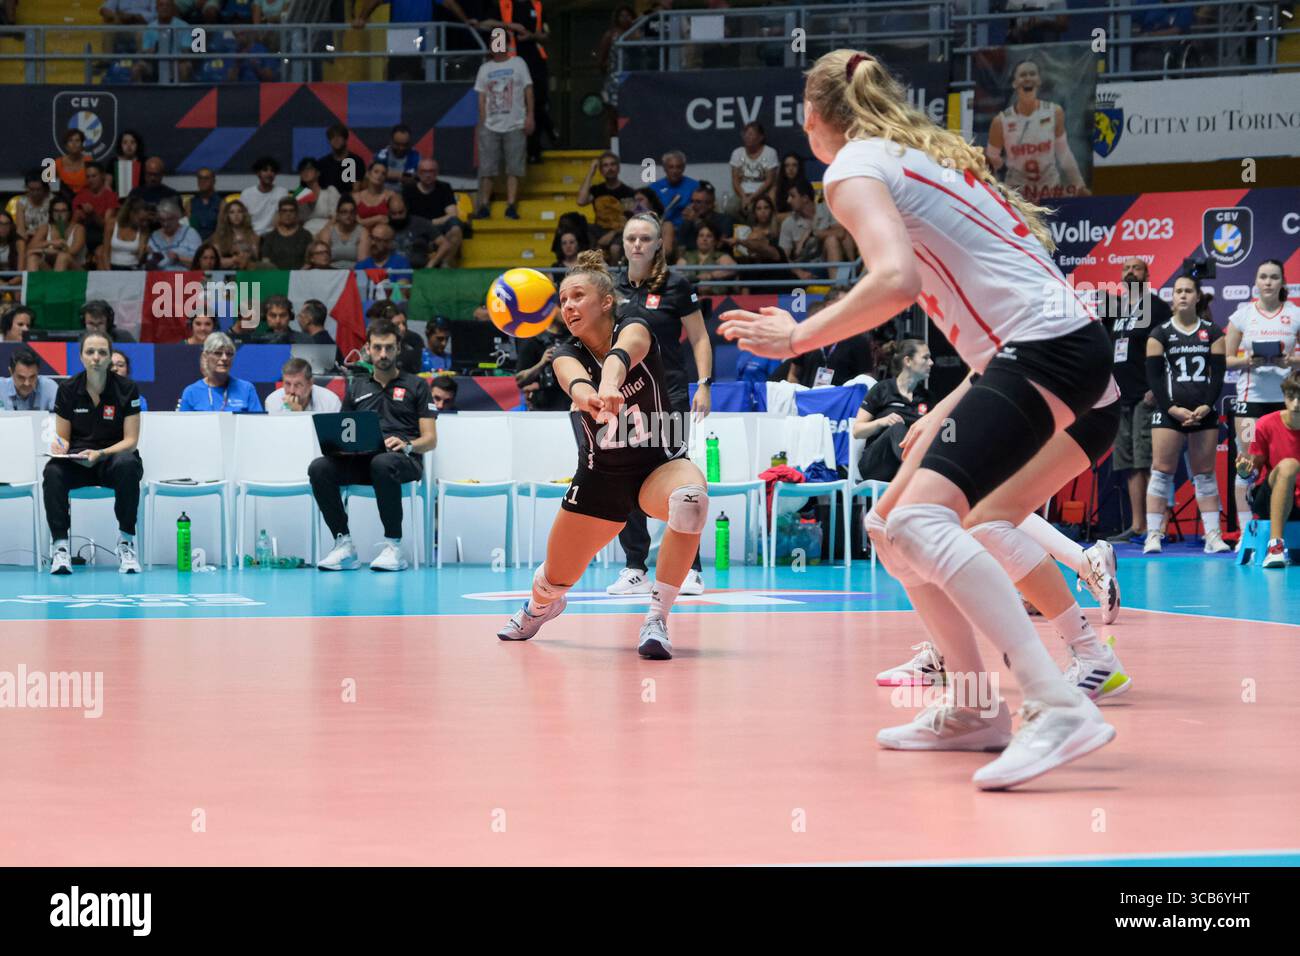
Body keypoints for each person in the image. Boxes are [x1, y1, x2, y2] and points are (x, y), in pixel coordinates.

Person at [719, 49, 1123, 790]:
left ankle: (1056, 701)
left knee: (924, 526)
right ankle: (973, 708)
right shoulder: (921, 155)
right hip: (1045, 352)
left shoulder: (850, 171)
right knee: (889, 522)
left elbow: (895, 280)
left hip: (1046, 351)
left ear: (811, 119)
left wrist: (796, 337)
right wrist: (944, 411)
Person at [496, 251, 709, 660]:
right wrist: (589, 395)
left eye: (578, 296)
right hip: (599, 479)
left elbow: (622, 354)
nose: (569, 306)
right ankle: (541, 607)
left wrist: (611, 383)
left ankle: (656, 619)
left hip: (657, 466)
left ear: (606, 301)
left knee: (691, 501)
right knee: (553, 580)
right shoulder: (564, 350)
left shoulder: (636, 326)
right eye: (562, 300)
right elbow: (572, 380)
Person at [604, 212, 712, 598]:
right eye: (631, 238)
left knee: (677, 481)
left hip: (670, 395)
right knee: (624, 478)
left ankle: (690, 569)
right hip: (623, 399)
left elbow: (699, 338)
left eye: (645, 238)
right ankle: (635, 568)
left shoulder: (676, 285)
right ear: (623, 242)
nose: (637, 244)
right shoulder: (610, 286)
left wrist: (704, 384)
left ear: (657, 244)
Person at [311, 319, 438, 572]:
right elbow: (341, 432)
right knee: (319, 468)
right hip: (362, 462)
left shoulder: (417, 385)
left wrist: (407, 444)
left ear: (398, 349)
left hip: (403, 461)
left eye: (389, 348)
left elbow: (430, 439)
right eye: (378, 347)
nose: (383, 354)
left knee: (383, 462)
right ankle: (343, 545)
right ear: (367, 348)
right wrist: (337, 447)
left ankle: (394, 547)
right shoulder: (356, 386)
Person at [44, 329, 144, 575]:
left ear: (110, 357)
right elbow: (64, 437)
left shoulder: (127, 388)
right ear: (81, 357)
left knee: (128, 465)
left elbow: (130, 441)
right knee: (53, 471)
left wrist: (101, 454)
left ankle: (126, 542)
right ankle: (60, 547)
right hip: (79, 461)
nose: (96, 357)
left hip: (111, 459)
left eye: (102, 352)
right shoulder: (67, 389)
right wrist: (60, 446)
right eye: (90, 352)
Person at [1142, 274, 1230, 554]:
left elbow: (1218, 375)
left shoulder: (1213, 332)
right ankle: (1153, 535)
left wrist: (1206, 405)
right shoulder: (1160, 333)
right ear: (1172, 298)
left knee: (1205, 474)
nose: (1182, 295)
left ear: (1196, 297)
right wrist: (1171, 409)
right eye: (1178, 291)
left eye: (1188, 291)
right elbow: (1154, 379)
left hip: (1203, 410)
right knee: (1161, 472)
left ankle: (1213, 536)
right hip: (1169, 412)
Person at [1224, 260, 1300, 520]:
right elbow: (1226, 358)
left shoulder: (1295, 314)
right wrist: (1248, 360)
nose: (1268, 282)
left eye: (1274, 277)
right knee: (1246, 463)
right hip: (1251, 402)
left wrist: (1291, 360)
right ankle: (1246, 531)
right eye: (1263, 277)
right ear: (1256, 282)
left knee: (1288, 463)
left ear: (1282, 282)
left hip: (1287, 403)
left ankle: (1285, 523)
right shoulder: (1243, 315)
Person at [1102, 256, 1171, 543]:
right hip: (1120, 397)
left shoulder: (1157, 307)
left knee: (1149, 462)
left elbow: (1171, 346)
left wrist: (1158, 386)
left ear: (1147, 274)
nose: (1130, 272)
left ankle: (1157, 526)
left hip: (1147, 396)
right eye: (1126, 268)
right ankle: (1138, 525)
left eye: (1136, 268)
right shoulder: (1114, 308)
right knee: (1128, 463)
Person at [985, 58, 1088, 202]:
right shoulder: (1001, 121)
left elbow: (1064, 153)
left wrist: (1079, 184)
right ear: (1014, 83)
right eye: (1023, 75)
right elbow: (991, 161)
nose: (1028, 78)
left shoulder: (1054, 112)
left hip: (1050, 191)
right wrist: (994, 193)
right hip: (1018, 195)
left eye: (1032, 74)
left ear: (1039, 80)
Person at [1239, 371, 1300, 568]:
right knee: (1289, 465)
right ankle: (1275, 547)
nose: (1297, 404)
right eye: (1291, 397)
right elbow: (1253, 474)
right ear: (1284, 397)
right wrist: (1245, 472)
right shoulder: (1266, 424)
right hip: (1269, 500)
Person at [853, 338, 932, 482]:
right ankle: (920, 474)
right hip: (876, 465)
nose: (931, 363)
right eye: (925, 358)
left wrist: (948, 439)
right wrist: (882, 422)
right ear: (908, 361)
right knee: (897, 428)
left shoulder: (926, 397)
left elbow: (945, 427)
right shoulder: (882, 389)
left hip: (903, 467)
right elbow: (857, 431)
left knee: (948, 426)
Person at [471, 47, 533, 221]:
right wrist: (483, 123)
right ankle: (484, 205)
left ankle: (511, 205)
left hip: (515, 123)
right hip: (490, 125)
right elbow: (481, 98)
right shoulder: (485, 69)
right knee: (487, 168)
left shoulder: (519, 63)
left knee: (514, 167)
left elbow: (528, 91)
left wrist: (530, 116)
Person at [177, 332, 263, 412]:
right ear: (205, 356)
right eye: (218, 353)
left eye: (229, 354)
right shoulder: (191, 392)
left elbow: (258, 424)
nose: (224, 358)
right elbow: (183, 426)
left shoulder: (247, 389)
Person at [402, 158, 464, 268]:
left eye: (431, 171)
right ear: (418, 173)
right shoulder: (408, 189)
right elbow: (406, 217)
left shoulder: (444, 187)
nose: (428, 175)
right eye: (424, 171)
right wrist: (425, 226)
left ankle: (445, 263)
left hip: (439, 230)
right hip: (417, 232)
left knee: (456, 226)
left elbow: (452, 214)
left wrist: (429, 223)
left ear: (436, 173)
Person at [577, 151, 634, 258]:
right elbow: (581, 201)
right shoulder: (597, 190)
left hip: (620, 231)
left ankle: (614, 274)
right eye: (605, 165)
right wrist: (591, 172)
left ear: (618, 168)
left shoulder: (628, 192)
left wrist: (611, 234)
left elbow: (629, 221)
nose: (610, 168)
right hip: (599, 229)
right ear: (601, 170)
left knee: (615, 248)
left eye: (613, 164)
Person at [514, 312, 568, 411]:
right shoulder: (533, 340)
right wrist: (542, 363)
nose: (567, 310)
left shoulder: (575, 338)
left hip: (572, 403)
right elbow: (520, 380)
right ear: (549, 310)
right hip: (544, 406)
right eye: (561, 306)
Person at [728, 121, 779, 221]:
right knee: (730, 208)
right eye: (745, 134)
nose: (747, 137)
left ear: (760, 137)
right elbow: (735, 180)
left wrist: (751, 198)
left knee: (753, 209)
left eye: (751, 134)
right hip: (742, 193)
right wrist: (743, 197)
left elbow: (769, 181)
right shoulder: (737, 153)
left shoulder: (770, 153)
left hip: (762, 193)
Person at [25, 196, 86, 272]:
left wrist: (48, 251)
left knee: (63, 257)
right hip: (52, 270)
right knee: (33, 258)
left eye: (63, 211)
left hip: (74, 271)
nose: (59, 214)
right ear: (51, 213)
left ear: (69, 212)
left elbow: (73, 252)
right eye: (56, 211)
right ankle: (33, 283)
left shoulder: (78, 228)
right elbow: (30, 247)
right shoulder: (45, 227)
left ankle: (57, 283)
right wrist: (51, 242)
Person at [72, 162, 120, 256]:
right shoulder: (80, 196)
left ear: (102, 176)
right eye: (88, 177)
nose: (90, 180)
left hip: (103, 237)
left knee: (100, 252)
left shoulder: (111, 196)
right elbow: (74, 225)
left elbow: (107, 226)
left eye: (94, 176)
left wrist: (93, 214)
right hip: (83, 236)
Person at [676, 222, 736, 297]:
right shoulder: (687, 256)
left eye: (709, 236)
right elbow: (677, 275)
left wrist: (710, 276)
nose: (704, 239)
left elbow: (733, 268)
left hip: (716, 298)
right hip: (691, 298)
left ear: (715, 240)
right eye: (701, 236)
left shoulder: (721, 256)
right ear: (696, 239)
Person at [265, 357, 342, 413]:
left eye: (298, 385)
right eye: (287, 384)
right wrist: (291, 413)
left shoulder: (330, 401)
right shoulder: (273, 401)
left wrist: (299, 414)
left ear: (310, 383)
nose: (292, 391)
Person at [146, 198, 201, 271]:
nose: (165, 224)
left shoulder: (191, 234)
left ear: (178, 217)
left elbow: (201, 262)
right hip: (159, 278)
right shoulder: (154, 236)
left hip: (186, 277)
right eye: (162, 220)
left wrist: (179, 258)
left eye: (169, 219)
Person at [258, 197, 313, 270]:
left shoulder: (306, 235)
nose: (288, 214)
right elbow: (265, 261)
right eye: (284, 211)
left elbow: (309, 261)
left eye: (291, 211)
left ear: (296, 213)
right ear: (279, 213)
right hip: (275, 277)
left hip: (300, 277)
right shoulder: (270, 237)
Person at [316, 195, 369, 270]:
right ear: (337, 214)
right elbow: (322, 260)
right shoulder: (328, 231)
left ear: (355, 214)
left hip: (354, 273)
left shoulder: (362, 232)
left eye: (352, 212)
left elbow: (362, 263)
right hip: (331, 273)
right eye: (344, 212)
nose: (348, 215)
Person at [239, 156, 289, 235]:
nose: (269, 174)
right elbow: (241, 219)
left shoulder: (282, 192)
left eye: (272, 171)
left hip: (274, 236)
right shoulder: (247, 193)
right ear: (258, 173)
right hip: (250, 235)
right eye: (265, 170)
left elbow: (282, 218)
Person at [651, 150, 698, 231]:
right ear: (664, 168)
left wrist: (695, 215)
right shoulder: (654, 188)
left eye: (678, 167)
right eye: (671, 167)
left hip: (686, 229)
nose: (675, 171)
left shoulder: (695, 186)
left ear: (683, 168)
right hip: (661, 230)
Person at [0, 346, 59, 411]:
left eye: (32, 377)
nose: (27, 383)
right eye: (21, 377)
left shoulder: (49, 387)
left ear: (38, 372)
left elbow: (60, 418)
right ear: (11, 372)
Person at [293, 157, 340, 236]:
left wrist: (321, 234)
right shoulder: (300, 194)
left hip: (328, 231)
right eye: (302, 170)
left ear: (318, 173)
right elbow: (298, 221)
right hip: (306, 234)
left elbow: (335, 217)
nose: (305, 172)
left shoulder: (330, 191)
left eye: (309, 169)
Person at [386, 194, 435, 269]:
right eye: (394, 213)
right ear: (388, 212)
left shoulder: (421, 223)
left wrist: (431, 263)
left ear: (406, 209)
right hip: (392, 271)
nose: (398, 217)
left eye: (401, 212)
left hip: (419, 270)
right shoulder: (384, 227)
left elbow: (444, 244)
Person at [317, 123, 366, 196]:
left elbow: (357, 189)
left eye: (339, 136)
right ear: (329, 141)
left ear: (345, 139)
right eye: (332, 137)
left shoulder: (356, 161)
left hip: (350, 202)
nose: (336, 139)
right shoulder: (322, 163)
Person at [211, 199, 260, 267]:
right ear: (227, 216)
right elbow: (216, 261)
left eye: (239, 211)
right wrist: (234, 260)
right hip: (227, 273)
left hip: (249, 272)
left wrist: (246, 256)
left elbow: (256, 258)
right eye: (232, 212)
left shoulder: (253, 235)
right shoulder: (219, 236)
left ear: (244, 214)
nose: (236, 215)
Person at [352, 162, 398, 231]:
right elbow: (352, 221)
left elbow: (393, 219)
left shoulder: (391, 196)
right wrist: (377, 218)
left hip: (383, 237)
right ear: (368, 174)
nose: (379, 175)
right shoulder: (356, 197)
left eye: (383, 174)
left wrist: (362, 222)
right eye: (376, 172)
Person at [374, 123, 421, 188]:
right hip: (382, 193)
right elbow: (373, 174)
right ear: (391, 141)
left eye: (405, 145)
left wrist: (388, 174)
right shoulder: (383, 154)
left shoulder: (415, 156)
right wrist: (403, 175)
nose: (401, 148)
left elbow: (418, 178)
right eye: (397, 144)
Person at [13, 170, 51, 242]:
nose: (35, 193)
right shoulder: (22, 203)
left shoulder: (52, 201)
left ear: (45, 188)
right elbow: (20, 229)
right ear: (26, 187)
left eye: (38, 189)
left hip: (47, 238)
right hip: (28, 238)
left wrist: (38, 235)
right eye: (31, 189)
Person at [186, 167, 222, 240]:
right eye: (200, 178)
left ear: (213, 181)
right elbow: (188, 229)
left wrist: (205, 245)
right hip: (194, 243)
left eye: (206, 178)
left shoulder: (221, 203)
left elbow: (221, 231)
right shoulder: (190, 203)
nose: (202, 181)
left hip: (215, 243)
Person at [0, 210, 25, 278]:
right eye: (0, 224)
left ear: (11, 226)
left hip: (15, 280)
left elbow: (20, 273)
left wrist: (9, 285)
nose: (3, 227)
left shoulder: (19, 242)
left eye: (7, 224)